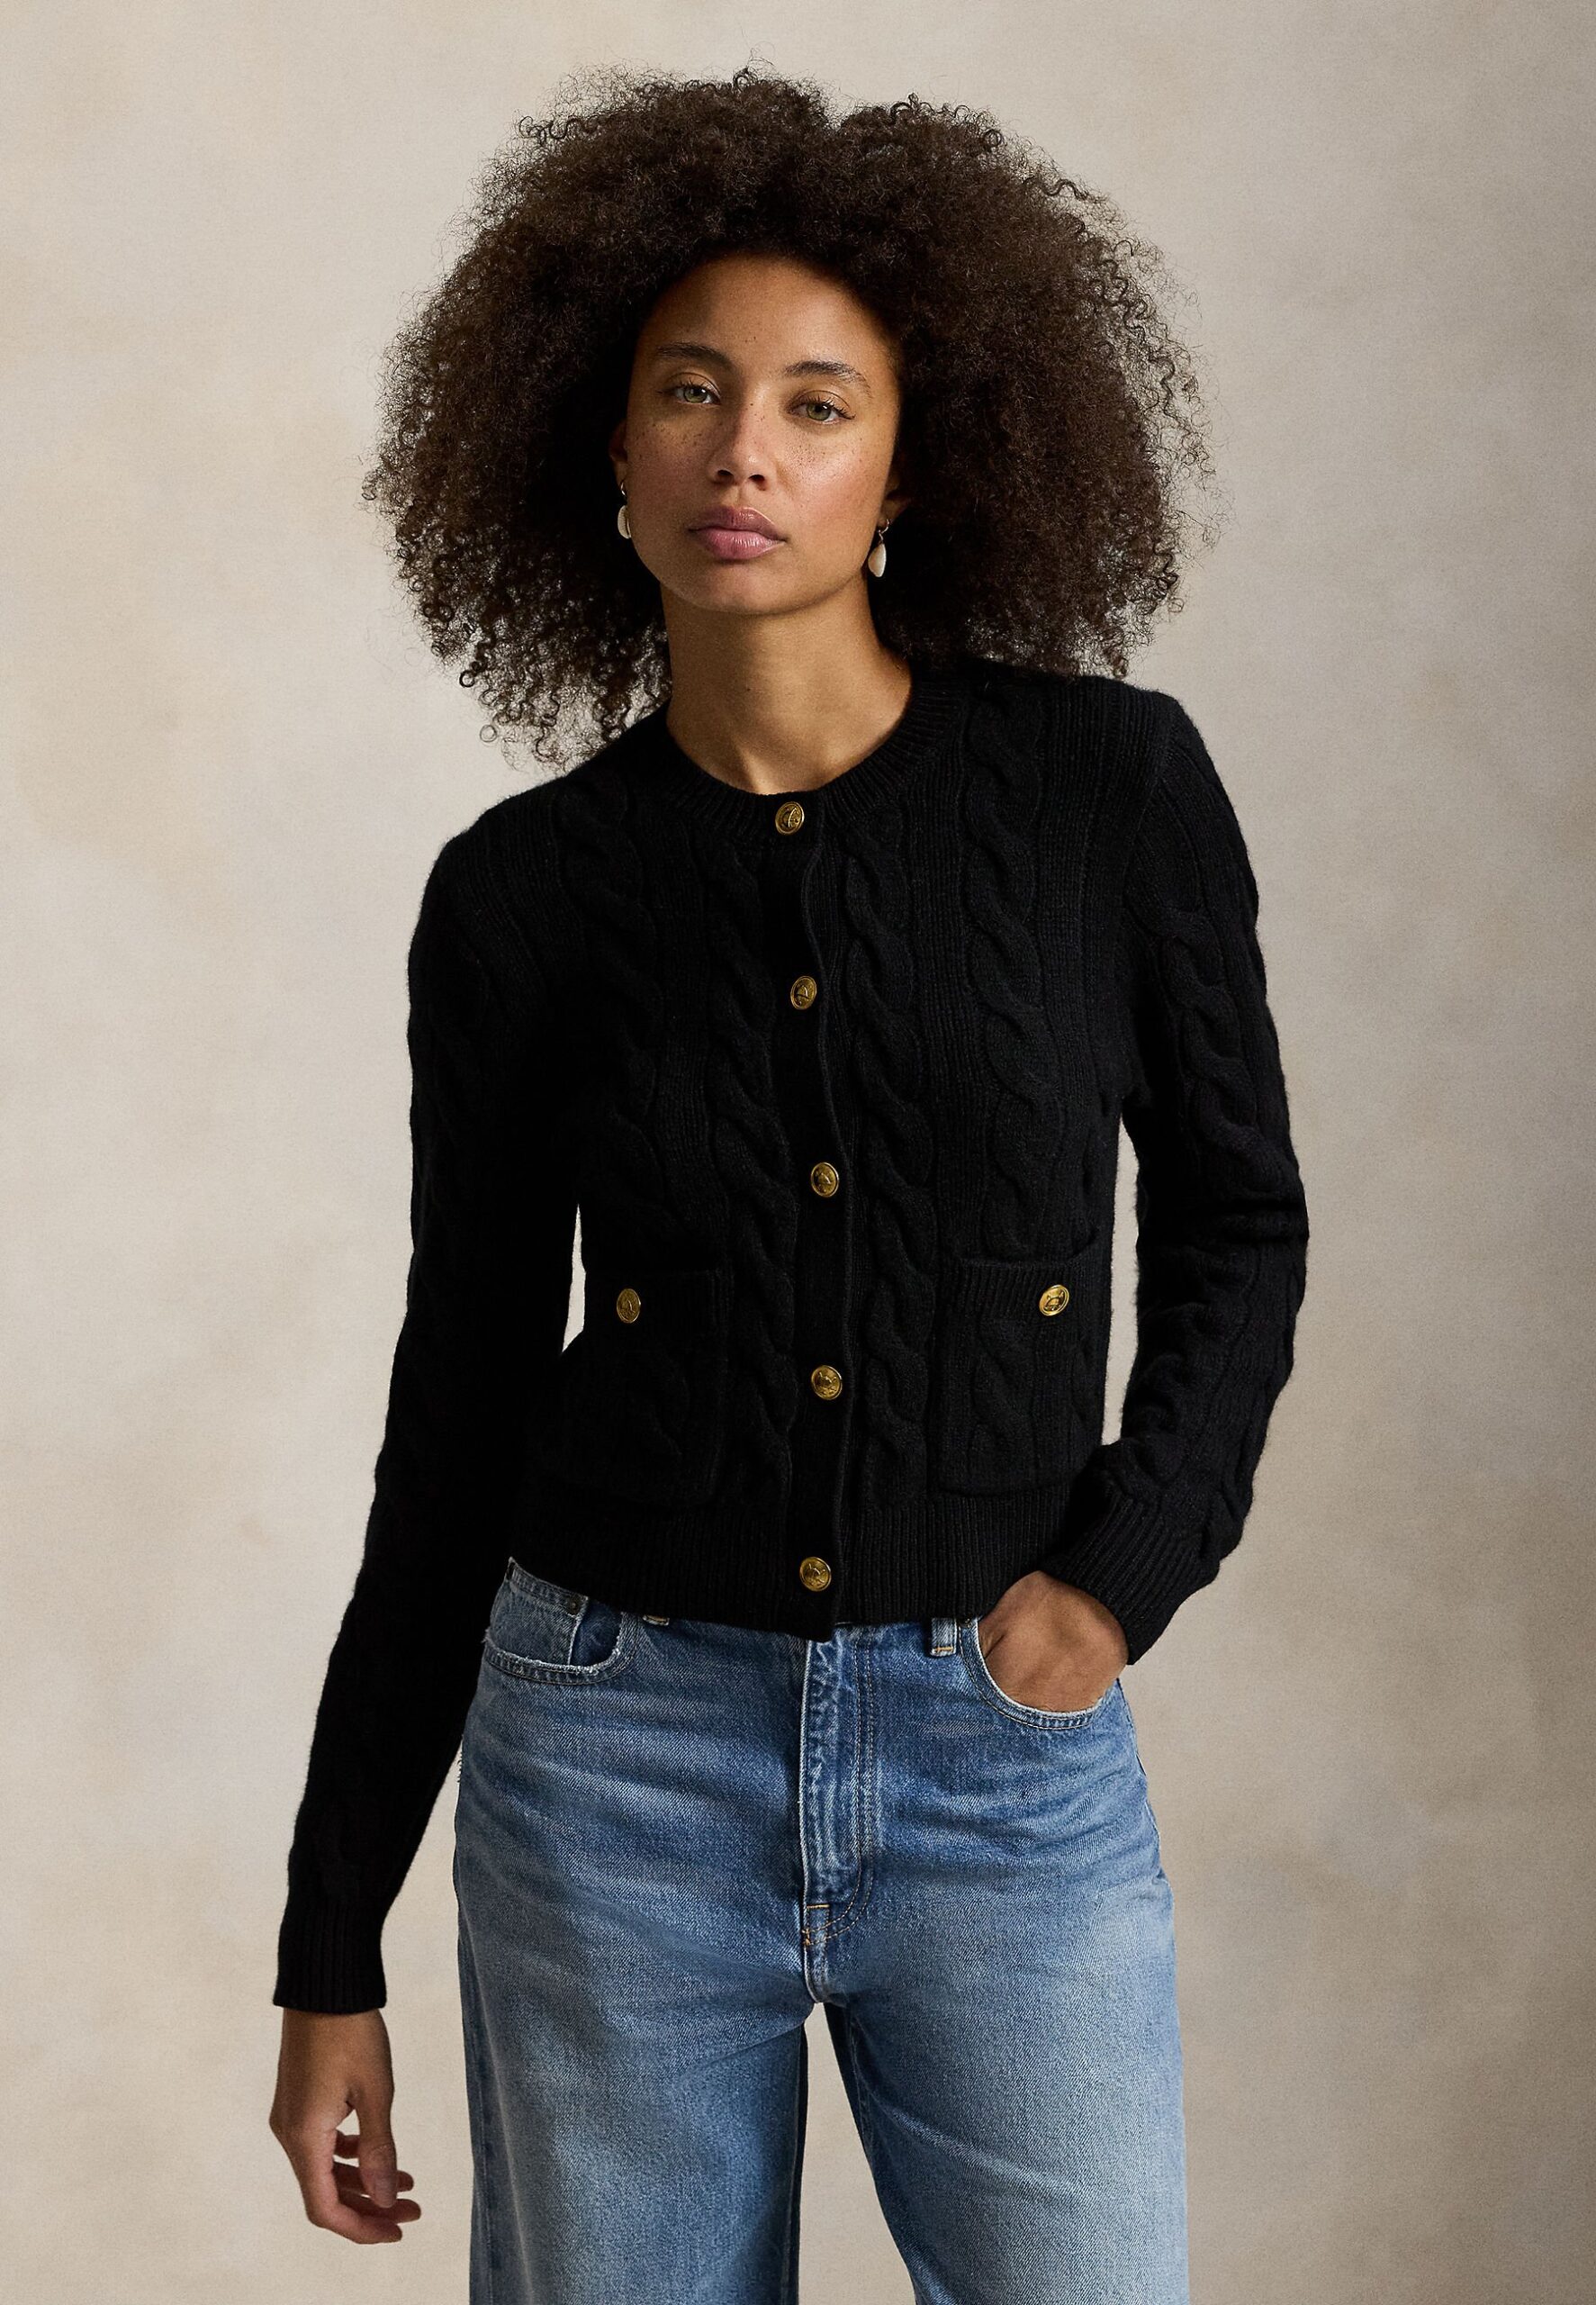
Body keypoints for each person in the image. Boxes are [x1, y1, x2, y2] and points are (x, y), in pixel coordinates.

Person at [267, 62, 1310, 2305]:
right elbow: (459, 1400)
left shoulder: (1108, 792)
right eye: (689, 390)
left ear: (910, 467)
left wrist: (1116, 1573)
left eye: (816, 403)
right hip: (608, 1760)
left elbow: (1239, 1216)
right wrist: (329, 1931)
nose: (743, 448)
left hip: (1001, 1757)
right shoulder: (521, 895)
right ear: (602, 448)